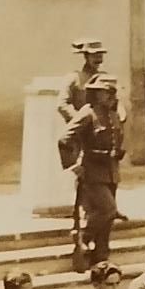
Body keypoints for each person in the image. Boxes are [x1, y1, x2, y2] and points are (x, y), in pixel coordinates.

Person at [59, 73, 126, 266]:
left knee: (107, 220)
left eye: (112, 93)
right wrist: (72, 165)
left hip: (112, 170)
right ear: (97, 95)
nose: (111, 96)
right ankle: (83, 236)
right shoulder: (88, 113)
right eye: (107, 93)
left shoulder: (113, 115)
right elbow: (64, 139)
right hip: (92, 171)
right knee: (108, 209)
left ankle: (101, 256)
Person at [58, 38, 106, 119]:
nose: (99, 60)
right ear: (86, 57)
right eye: (95, 56)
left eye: (100, 56)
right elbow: (62, 104)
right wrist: (79, 119)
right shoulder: (74, 78)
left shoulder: (104, 78)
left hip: (101, 127)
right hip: (81, 128)